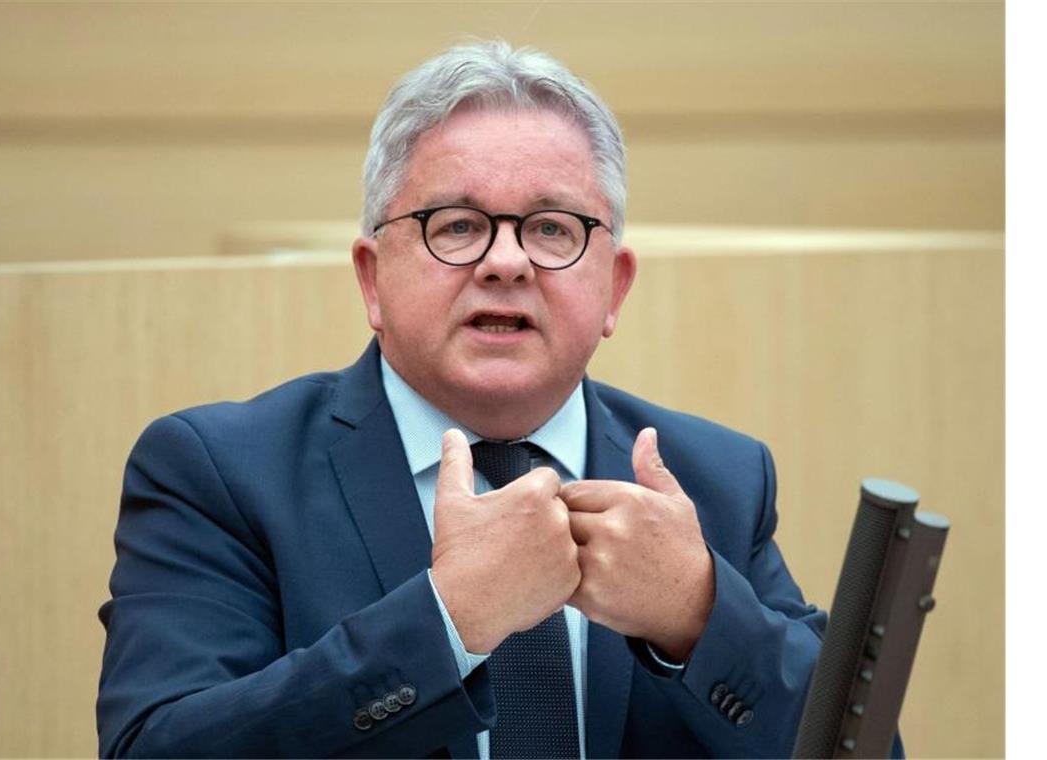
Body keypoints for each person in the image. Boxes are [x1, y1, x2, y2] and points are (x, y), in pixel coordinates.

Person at [97, 40, 831, 758]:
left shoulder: (714, 484)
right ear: (371, 277)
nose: (506, 263)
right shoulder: (220, 475)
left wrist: (700, 616)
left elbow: (863, 747)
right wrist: (448, 621)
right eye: (457, 226)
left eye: (552, 228)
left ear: (615, 286)